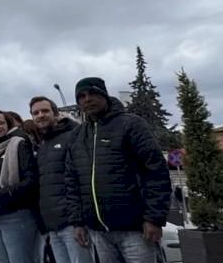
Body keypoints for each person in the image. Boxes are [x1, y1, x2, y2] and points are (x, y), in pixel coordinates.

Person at [65, 77, 171, 263]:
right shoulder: (77, 136)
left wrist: (154, 218)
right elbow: (72, 182)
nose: (87, 99)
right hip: (98, 233)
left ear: (104, 95)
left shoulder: (131, 124)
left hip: (136, 230)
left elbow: (156, 171)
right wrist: (77, 222)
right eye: (81, 96)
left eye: (92, 93)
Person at [30, 96, 92, 263]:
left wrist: (79, 221)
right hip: (53, 226)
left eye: (45, 111)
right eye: (35, 113)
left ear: (56, 114)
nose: (40, 115)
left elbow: (82, 179)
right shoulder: (43, 145)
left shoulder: (73, 136)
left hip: (73, 224)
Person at [0, 110, 39, 263]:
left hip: (16, 215)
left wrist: (2, 197)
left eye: (0, 123)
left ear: (9, 125)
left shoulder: (19, 145)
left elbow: (30, 179)